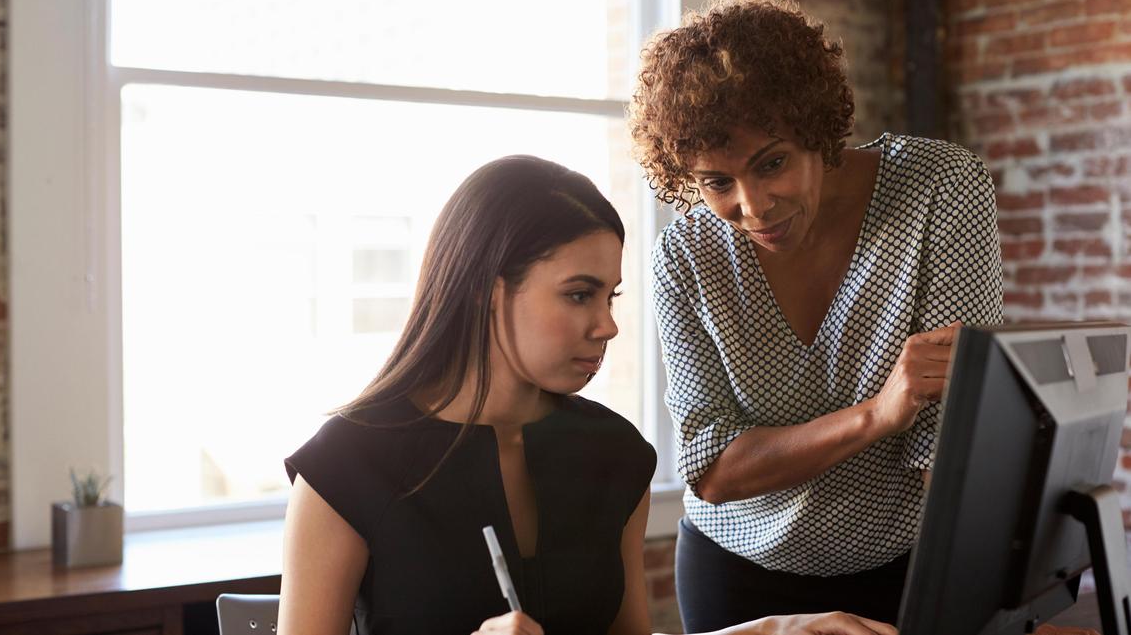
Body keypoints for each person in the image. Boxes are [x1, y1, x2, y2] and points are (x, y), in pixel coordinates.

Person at [277, 155, 897, 635]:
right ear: (487, 293)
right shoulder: (345, 468)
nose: (606, 326)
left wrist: (769, 630)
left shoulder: (615, 454)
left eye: (611, 297)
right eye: (579, 294)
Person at [627, 0, 1004, 631]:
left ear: (818, 129)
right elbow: (712, 468)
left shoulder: (939, 187)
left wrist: (961, 598)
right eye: (717, 183)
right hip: (735, 575)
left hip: (904, 568)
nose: (755, 207)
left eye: (771, 163)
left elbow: (949, 436)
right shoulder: (685, 256)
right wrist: (879, 413)